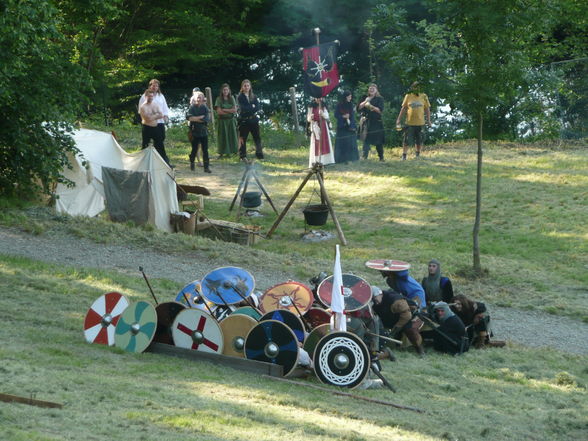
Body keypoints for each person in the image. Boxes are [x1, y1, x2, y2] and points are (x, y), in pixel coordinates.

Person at [372, 286, 425, 356]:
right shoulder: (374, 303)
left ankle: (419, 349)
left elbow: (407, 316)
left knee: (410, 330)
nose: (375, 303)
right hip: (392, 317)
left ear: (380, 294)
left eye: (375, 300)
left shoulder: (393, 300)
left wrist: (395, 329)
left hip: (409, 316)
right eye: (373, 300)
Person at [396, 81, 431, 160]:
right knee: (406, 140)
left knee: (418, 140)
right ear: (412, 88)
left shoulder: (424, 96)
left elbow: (427, 109)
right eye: (415, 87)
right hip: (409, 122)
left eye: (419, 87)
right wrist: (398, 119)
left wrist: (429, 120)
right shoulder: (408, 95)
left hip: (420, 122)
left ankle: (417, 155)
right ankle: (404, 155)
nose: (417, 89)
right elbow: (404, 108)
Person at [139, 79, 171, 165]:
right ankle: (143, 161)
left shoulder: (161, 96)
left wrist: (166, 116)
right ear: (150, 86)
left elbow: (164, 109)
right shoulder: (144, 96)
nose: (155, 87)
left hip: (160, 122)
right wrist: (149, 118)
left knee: (160, 141)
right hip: (148, 124)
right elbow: (142, 111)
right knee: (146, 142)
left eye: (156, 86)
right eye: (153, 85)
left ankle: (162, 161)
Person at [358, 83, 385, 161]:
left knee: (378, 140)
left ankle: (381, 157)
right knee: (366, 140)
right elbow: (359, 107)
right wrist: (366, 101)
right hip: (367, 121)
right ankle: (364, 157)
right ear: (368, 90)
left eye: (373, 89)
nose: (371, 90)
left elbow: (380, 111)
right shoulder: (365, 98)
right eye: (370, 88)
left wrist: (370, 106)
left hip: (376, 122)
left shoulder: (380, 99)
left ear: (376, 90)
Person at [237, 79, 263, 160]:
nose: (246, 87)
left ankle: (259, 155)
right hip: (244, 120)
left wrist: (251, 108)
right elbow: (243, 108)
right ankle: (243, 156)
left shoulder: (253, 96)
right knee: (243, 138)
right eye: (245, 86)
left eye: (248, 85)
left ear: (250, 86)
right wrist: (252, 107)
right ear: (242, 87)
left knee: (257, 137)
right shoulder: (240, 97)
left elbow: (258, 107)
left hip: (253, 120)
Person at [186, 91, 211, 173]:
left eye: (201, 97)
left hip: (204, 132)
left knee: (205, 150)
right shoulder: (192, 107)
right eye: (198, 97)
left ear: (203, 99)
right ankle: (192, 162)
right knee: (194, 149)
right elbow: (189, 118)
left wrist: (195, 118)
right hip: (194, 132)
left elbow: (206, 119)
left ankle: (206, 167)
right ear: (195, 99)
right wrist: (200, 118)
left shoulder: (205, 108)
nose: (199, 99)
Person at [307, 97, 335, 166]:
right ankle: (316, 161)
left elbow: (327, 116)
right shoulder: (311, 106)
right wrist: (310, 117)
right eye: (317, 98)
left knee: (324, 143)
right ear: (314, 98)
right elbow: (308, 119)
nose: (318, 99)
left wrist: (322, 114)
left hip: (323, 126)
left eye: (320, 98)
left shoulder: (323, 105)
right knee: (316, 144)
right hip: (315, 126)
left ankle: (326, 161)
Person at [334, 91, 359, 164]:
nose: (350, 98)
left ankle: (351, 158)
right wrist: (343, 116)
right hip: (342, 126)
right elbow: (336, 115)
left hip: (349, 126)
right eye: (349, 97)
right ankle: (341, 159)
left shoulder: (351, 104)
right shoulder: (339, 105)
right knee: (342, 143)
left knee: (350, 143)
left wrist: (352, 125)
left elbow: (352, 116)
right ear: (345, 97)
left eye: (350, 97)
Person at [215, 84, 239, 157]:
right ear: (222, 91)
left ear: (229, 91)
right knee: (222, 136)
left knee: (233, 136)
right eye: (224, 90)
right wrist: (229, 110)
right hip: (222, 121)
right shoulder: (218, 99)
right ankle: (222, 153)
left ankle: (234, 151)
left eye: (227, 90)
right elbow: (219, 112)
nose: (225, 91)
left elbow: (235, 110)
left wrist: (224, 109)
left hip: (231, 120)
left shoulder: (232, 98)